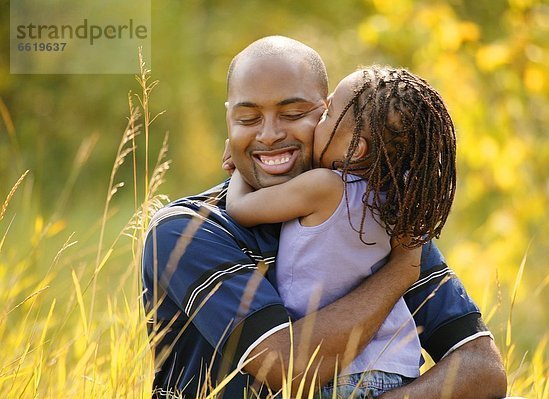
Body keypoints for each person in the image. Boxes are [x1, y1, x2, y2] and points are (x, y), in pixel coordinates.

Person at [142, 36, 507, 399]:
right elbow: (286, 368)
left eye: (294, 114)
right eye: (248, 118)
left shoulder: (378, 217)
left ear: (328, 114)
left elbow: (483, 369)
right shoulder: (189, 230)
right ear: (228, 122)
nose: (269, 135)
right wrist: (401, 268)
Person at [225, 65, 457, 398]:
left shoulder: (324, 187)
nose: (318, 122)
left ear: (356, 150)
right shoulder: (397, 199)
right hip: (397, 367)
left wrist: (239, 163)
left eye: (328, 113)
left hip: (341, 373)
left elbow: (241, 210)